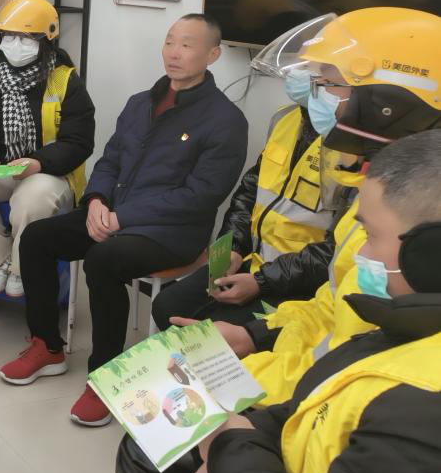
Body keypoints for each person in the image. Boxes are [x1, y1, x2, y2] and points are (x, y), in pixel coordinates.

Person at [115, 8, 441, 473]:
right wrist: (254, 334)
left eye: (327, 83)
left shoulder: (412, 219)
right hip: (295, 347)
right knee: (150, 402)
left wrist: (247, 406)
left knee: (148, 446)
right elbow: (329, 304)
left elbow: (351, 359)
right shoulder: (368, 183)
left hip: (317, 396)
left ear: (386, 104)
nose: (316, 94)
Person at [1, 14, 248, 426]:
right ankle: (47, 346)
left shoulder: (226, 120)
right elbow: (110, 160)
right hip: (114, 214)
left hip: (173, 232)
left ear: (213, 55)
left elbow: (201, 195)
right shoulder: (140, 103)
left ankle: (105, 377)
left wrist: (121, 217)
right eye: (170, 42)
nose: (174, 52)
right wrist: (97, 200)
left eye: (187, 45)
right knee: (38, 237)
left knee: (104, 260)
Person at [150, 75, 360, 331]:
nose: (303, 76)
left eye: (324, 75)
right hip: (254, 262)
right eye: (303, 67)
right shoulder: (285, 118)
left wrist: (262, 282)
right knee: (168, 305)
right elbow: (251, 190)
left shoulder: (358, 150)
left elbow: (338, 248)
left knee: (212, 332)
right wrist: (234, 247)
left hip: (301, 284)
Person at [0, 0, 95, 297]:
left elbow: (78, 141)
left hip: (50, 173)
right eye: (9, 36)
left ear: (47, 41)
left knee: (33, 198)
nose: (16, 44)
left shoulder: (64, 80)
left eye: (26, 38)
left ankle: (20, 265)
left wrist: (38, 162)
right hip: (0, 167)